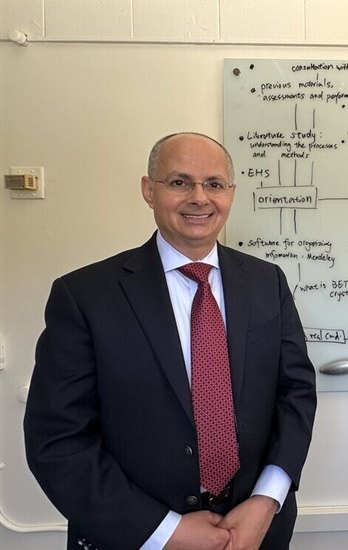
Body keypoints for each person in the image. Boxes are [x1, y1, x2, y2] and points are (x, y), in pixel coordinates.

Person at [24, 132, 317, 550]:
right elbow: (57, 441)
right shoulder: (84, 296)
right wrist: (165, 532)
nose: (199, 197)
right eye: (180, 182)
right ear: (149, 190)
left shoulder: (267, 282)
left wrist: (266, 500)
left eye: (214, 184)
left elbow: (296, 396)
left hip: (254, 533)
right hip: (132, 538)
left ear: (230, 194)